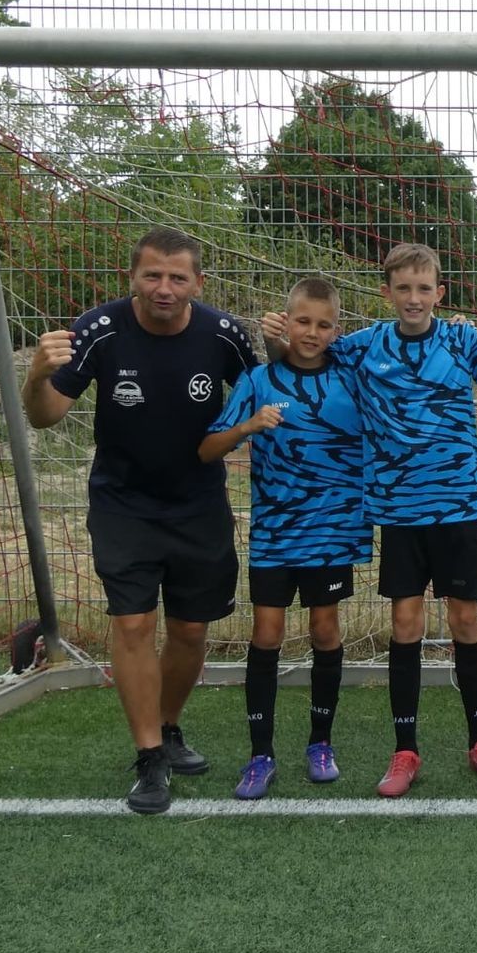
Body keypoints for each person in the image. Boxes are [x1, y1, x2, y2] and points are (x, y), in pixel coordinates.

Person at [261, 243, 477, 798]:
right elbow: (302, 354)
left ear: (440, 293)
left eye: (424, 288)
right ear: (387, 293)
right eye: (403, 288)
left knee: (466, 621)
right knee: (405, 624)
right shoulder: (363, 346)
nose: (414, 298)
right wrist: (274, 337)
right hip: (399, 513)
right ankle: (405, 750)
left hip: (458, 508)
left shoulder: (461, 340)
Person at [23, 227, 256, 814]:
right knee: (132, 625)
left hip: (199, 505)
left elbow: (268, 386)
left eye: (178, 277)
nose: (164, 288)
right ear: (133, 278)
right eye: (152, 275)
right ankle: (149, 756)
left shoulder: (224, 334)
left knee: (191, 631)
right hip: (123, 504)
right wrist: (35, 374)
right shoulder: (98, 330)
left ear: (198, 282)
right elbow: (45, 417)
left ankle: (168, 727)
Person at [198, 278, 369, 799]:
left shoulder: (353, 379)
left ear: (337, 330)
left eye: (323, 324)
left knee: (325, 631)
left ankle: (321, 743)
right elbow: (207, 449)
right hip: (275, 533)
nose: (312, 332)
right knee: (267, 634)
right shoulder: (258, 380)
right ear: (285, 322)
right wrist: (247, 427)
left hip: (333, 531)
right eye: (303, 321)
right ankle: (260, 754)